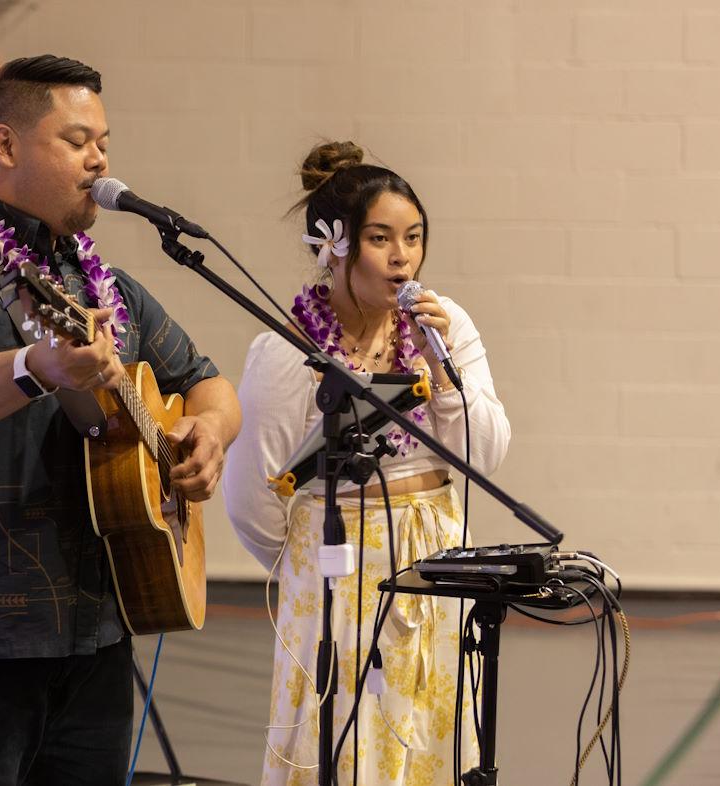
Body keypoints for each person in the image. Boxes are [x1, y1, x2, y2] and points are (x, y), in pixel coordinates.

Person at [0, 55, 241, 785]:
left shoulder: (102, 284)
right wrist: (37, 367)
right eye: (77, 141)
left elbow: (208, 384)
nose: (100, 158)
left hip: (95, 628)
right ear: (5, 145)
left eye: (104, 140)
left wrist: (209, 434)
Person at [222, 141, 511, 786]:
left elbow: (482, 458)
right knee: (351, 741)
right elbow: (252, 498)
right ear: (335, 246)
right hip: (337, 570)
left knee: (432, 731)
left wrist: (442, 372)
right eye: (380, 237)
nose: (402, 255)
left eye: (413, 237)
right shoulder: (287, 350)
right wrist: (313, 564)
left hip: (435, 560)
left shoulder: (446, 326)